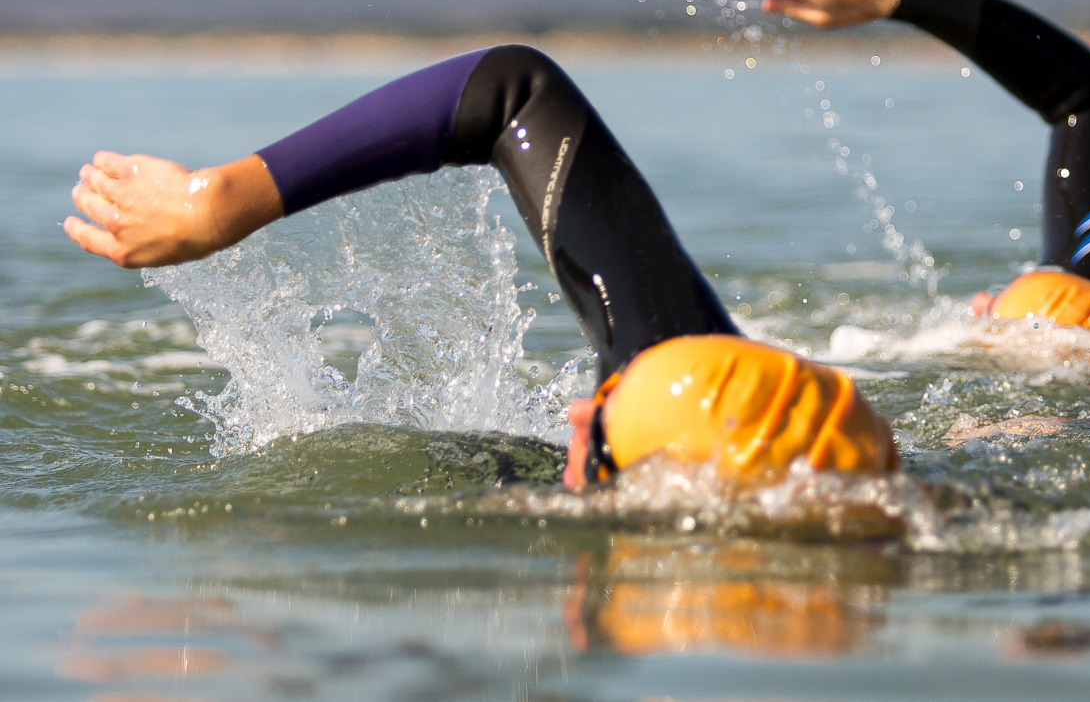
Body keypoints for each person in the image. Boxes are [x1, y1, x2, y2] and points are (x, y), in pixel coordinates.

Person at [65, 46, 898, 488]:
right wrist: (222, 201)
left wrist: (219, 206)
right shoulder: (746, 417)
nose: (574, 412)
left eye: (603, 422)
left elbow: (515, 86)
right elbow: (513, 93)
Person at [712, 0, 1090, 329]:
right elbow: (1084, 98)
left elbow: (1084, 96)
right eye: (992, 309)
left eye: (990, 315)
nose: (979, 303)